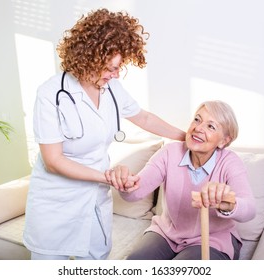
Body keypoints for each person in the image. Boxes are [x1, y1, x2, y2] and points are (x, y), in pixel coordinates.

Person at [23, 8, 185, 260]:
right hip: (56, 203)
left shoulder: (112, 89)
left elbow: (143, 117)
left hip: (95, 200)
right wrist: (106, 177)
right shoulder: (51, 95)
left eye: (119, 67)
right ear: (89, 58)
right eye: (111, 67)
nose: (116, 74)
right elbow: (54, 162)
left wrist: (186, 136)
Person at [107, 100, 256, 260]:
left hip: (213, 239)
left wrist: (229, 204)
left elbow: (250, 209)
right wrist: (126, 184)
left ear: (224, 141)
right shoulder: (169, 153)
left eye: (211, 126)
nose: (198, 128)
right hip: (166, 234)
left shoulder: (230, 162)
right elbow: (135, 193)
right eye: (197, 119)